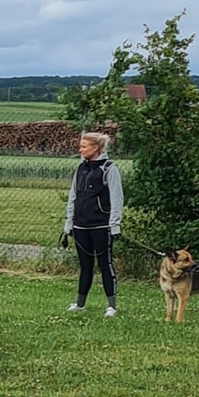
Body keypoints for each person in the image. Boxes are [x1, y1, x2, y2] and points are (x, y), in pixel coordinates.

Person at [62, 131, 123, 317]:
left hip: (101, 226)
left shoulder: (109, 169)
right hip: (80, 226)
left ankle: (111, 305)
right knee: (85, 266)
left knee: (105, 264)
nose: (80, 149)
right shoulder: (80, 168)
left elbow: (116, 198)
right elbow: (73, 196)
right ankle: (80, 303)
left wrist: (114, 224)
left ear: (95, 148)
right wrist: (69, 223)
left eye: (84, 146)